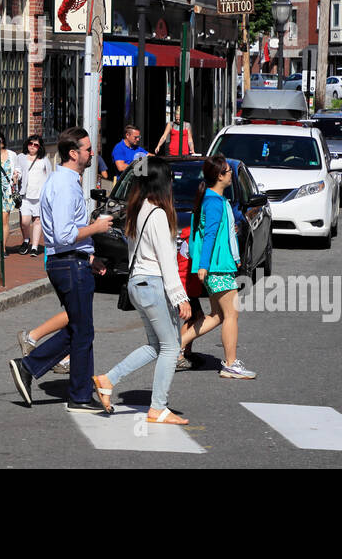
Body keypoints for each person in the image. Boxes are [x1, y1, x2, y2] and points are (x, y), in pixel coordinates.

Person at [8, 127, 113, 412]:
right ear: (73, 153)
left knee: (80, 329)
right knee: (83, 331)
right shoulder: (65, 184)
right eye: (88, 149)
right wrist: (97, 228)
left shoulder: (61, 181)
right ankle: (68, 389)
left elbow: (59, 235)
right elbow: (65, 235)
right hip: (69, 264)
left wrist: (92, 259)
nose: (92, 153)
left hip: (70, 261)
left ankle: (43, 373)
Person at [92, 155, 192, 424]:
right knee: (172, 347)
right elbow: (166, 260)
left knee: (156, 346)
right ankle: (158, 407)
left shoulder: (139, 208)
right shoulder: (158, 213)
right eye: (169, 178)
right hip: (153, 284)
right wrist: (180, 297)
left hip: (138, 284)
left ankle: (107, 379)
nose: (172, 183)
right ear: (161, 182)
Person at [186, 155, 256, 380]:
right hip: (217, 267)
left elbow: (212, 232)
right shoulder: (214, 202)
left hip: (216, 265)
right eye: (228, 171)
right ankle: (230, 364)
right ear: (219, 176)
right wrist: (204, 265)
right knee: (231, 315)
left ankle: (176, 345)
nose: (231, 175)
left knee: (217, 315)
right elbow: (209, 236)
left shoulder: (211, 199)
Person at [14, 134, 54, 256]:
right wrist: (16, 176)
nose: (32, 146)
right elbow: (18, 170)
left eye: (35, 145)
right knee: (25, 221)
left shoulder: (44, 160)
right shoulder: (21, 157)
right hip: (26, 194)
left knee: (38, 220)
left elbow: (49, 177)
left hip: (40, 195)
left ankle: (35, 247)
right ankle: (26, 240)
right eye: (30, 143)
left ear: (39, 147)